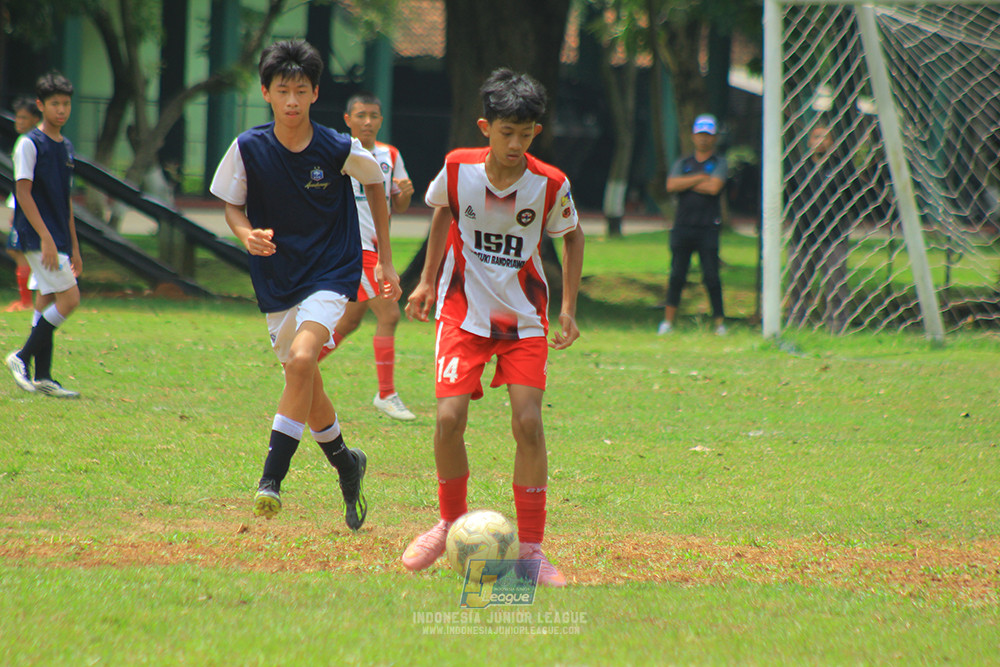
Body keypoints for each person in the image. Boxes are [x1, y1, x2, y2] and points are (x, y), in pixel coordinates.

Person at [400, 68, 585, 587]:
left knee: (528, 423)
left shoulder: (549, 184)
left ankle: (531, 549)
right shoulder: (458, 170)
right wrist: (428, 282)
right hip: (463, 313)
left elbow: (572, 238)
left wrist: (567, 307)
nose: (515, 143)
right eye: (507, 132)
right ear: (485, 126)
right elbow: (441, 212)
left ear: (536, 134)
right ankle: (447, 525)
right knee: (448, 419)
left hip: (524, 318)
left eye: (525, 134)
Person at [209, 39, 402, 530]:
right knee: (304, 380)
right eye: (282, 90)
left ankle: (270, 481)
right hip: (277, 278)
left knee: (301, 360)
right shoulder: (247, 148)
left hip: (332, 272)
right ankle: (346, 463)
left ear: (315, 93)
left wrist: (385, 262)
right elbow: (231, 205)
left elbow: (377, 183)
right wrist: (245, 233)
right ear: (265, 93)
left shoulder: (338, 146)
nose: (291, 100)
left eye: (301, 90)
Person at [316, 92, 417, 421]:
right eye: (360, 115)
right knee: (389, 316)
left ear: (381, 120)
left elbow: (397, 205)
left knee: (349, 321)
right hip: (356, 247)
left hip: (377, 247)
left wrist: (404, 195)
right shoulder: (338, 151)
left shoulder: (391, 155)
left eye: (374, 115)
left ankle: (298, 367)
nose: (368, 122)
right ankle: (386, 394)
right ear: (347, 119)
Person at [5, 72, 81, 399]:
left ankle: (44, 377)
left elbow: (64, 201)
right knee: (70, 299)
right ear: (41, 106)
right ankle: (20, 357)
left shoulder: (66, 147)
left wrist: (73, 245)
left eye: (65, 104)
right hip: (37, 236)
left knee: (47, 298)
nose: (61, 110)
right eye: (54, 104)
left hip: (59, 237)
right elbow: (24, 194)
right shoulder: (29, 144)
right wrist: (46, 238)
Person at [658, 114, 728, 336]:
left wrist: (686, 183)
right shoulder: (683, 162)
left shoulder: (719, 163)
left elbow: (714, 187)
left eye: (708, 135)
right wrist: (700, 178)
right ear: (693, 136)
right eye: (700, 134)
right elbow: (671, 184)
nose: (704, 139)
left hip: (708, 227)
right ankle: (668, 322)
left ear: (714, 137)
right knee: (677, 274)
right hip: (682, 226)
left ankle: (719, 323)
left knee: (711, 276)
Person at [785, 123, 852, 332]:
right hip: (802, 237)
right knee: (798, 284)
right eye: (816, 137)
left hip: (833, 237)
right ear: (808, 142)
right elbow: (789, 197)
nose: (820, 141)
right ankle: (795, 325)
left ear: (832, 142)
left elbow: (851, 198)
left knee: (836, 285)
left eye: (825, 137)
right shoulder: (798, 168)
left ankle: (837, 327)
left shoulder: (842, 168)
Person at [5, 97, 42, 312]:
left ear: (35, 119)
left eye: (23, 117)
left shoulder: (28, 142)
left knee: (21, 251)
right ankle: (29, 299)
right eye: (17, 117)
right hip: (25, 204)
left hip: (28, 205)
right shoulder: (31, 141)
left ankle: (26, 301)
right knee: (18, 251)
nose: (18, 121)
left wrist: (20, 207)